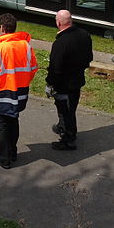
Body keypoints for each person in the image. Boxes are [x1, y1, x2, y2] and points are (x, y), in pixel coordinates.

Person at [0, 13, 38, 169]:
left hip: (2, 91)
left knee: (3, 123)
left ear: (1, 28)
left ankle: (4, 157)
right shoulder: (26, 46)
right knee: (14, 119)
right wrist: (23, 82)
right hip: (20, 90)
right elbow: (33, 68)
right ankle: (13, 151)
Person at [46, 10, 93, 151]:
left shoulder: (60, 43)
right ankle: (63, 127)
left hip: (63, 85)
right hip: (77, 81)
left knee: (66, 111)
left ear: (58, 23)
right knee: (70, 107)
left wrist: (50, 83)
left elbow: (55, 68)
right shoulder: (84, 35)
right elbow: (88, 58)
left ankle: (68, 139)